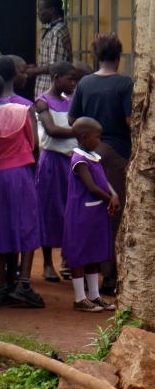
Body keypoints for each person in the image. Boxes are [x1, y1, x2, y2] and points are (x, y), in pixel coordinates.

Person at [68, 34, 133, 295]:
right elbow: (130, 120)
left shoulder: (85, 82)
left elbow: (74, 118)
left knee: (91, 213)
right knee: (115, 213)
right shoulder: (124, 83)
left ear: (96, 56)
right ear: (119, 57)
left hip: (88, 154)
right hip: (116, 152)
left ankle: (86, 271)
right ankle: (109, 275)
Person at [0, 72, 44, 308]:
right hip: (20, 172)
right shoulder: (22, 110)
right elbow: (33, 144)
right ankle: (24, 283)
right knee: (27, 224)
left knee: (0, 227)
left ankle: (2, 285)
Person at [63, 117, 119, 312]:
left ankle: (94, 296)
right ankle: (80, 298)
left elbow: (103, 180)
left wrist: (114, 194)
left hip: (95, 211)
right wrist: (109, 198)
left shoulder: (93, 156)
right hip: (82, 213)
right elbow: (92, 187)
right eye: (98, 137)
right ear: (85, 137)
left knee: (93, 253)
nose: (100, 141)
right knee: (80, 253)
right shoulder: (79, 159)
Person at [35, 61, 78, 282]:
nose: (73, 83)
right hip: (51, 161)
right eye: (70, 79)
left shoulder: (70, 102)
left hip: (70, 162)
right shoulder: (42, 101)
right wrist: (80, 130)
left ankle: (66, 259)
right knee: (49, 210)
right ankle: (48, 263)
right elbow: (51, 130)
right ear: (56, 77)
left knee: (69, 210)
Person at [28, 0, 73, 97]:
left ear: (52, 10)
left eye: (40, 9)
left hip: (50, 93)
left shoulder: (56, 32)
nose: (38, 13)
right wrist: (38, 66)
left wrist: (34, 71)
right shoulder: (55, 29)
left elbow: (56, 67)